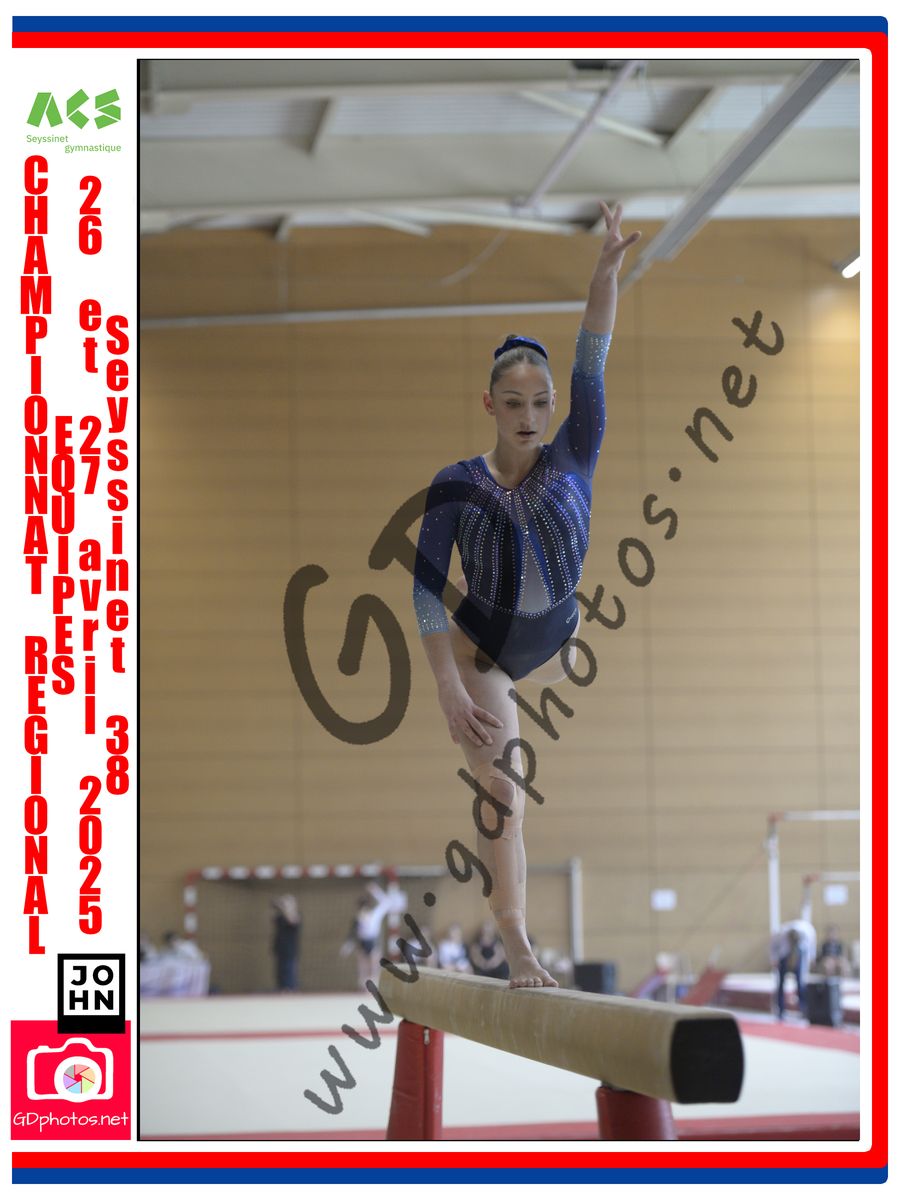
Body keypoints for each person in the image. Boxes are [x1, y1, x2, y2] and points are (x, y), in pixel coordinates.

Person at [412, 202, 640, 988]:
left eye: (540, 402)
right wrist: (447, 685)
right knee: (503, 788)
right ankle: (515, 938)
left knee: (555, 628)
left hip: (558, 625)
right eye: (514, 403)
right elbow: (425, 587)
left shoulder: (577, 447)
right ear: (490, 405)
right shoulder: (456, 483)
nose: (531, 417)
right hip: (486, 651)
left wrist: (604, 274)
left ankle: (564, 647)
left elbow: (592, 356)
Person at [340, 882, 395, 990]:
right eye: (361, 910)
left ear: (368, 907)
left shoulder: (375, 914)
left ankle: (374, 984)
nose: (362, 913)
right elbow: (352, 934)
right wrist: (347, 947)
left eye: (364, 909)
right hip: (362, 942)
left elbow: (387, 903)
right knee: (363, 968)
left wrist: (375, 891)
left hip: (373, 941)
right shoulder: (357, 918)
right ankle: (363, 986)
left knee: (374, 966)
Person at [769, 918, 817, 1020]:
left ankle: (803, 1008)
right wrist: (774, 959)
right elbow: (772, 946)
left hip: (800, 953)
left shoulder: (807, 932)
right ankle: (780, 1009)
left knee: (800, 981)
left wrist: (811, 959)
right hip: (784, 955)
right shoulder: (780, 934)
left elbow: (812, 946)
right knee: (781, 982)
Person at [271, 894, 302, 993]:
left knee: (289, 973)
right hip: (280, 950)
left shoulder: (296, 916)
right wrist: (277, 905)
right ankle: (282, 990)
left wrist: (286, 907)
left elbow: (292, 920)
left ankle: (291, 990)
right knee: (280, 974)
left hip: (290, 951)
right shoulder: (280, 917)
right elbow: (273, 918)